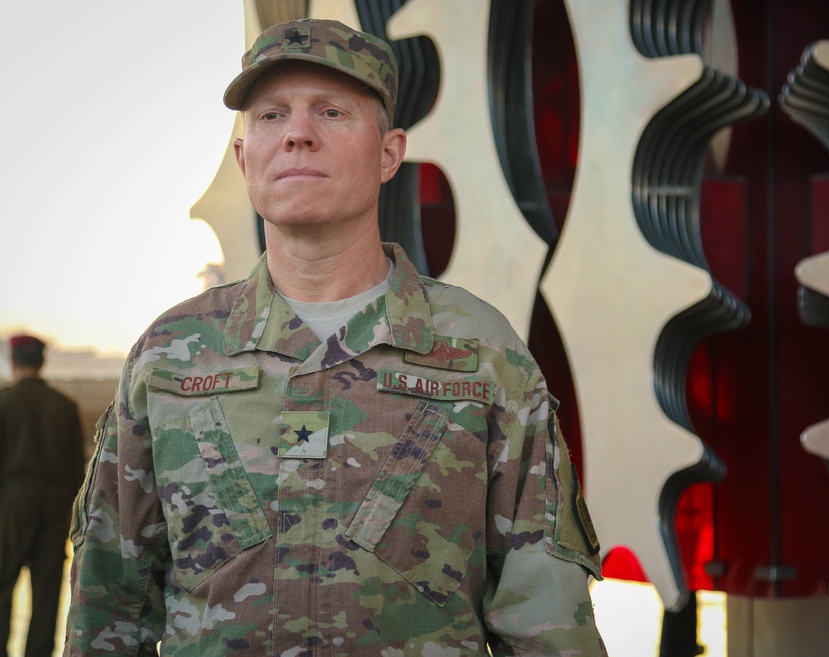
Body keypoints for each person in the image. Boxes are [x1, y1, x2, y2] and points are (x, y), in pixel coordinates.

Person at [65, 18, 607, 656]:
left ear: (388, 153)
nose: (297, 134)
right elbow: (110, 605)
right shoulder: (171, 357)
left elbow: (545, 615)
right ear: (244, 159)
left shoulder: (480, 353)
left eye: (331, 111)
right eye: (270, 116)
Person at [0, 335, 84, 657]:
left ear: (13, 362)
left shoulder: (4, 402)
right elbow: (79, 469)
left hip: (11, 503)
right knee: (47, 592)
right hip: (56, 505)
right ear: (42, 361)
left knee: (2, 586)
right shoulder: (65, 406)